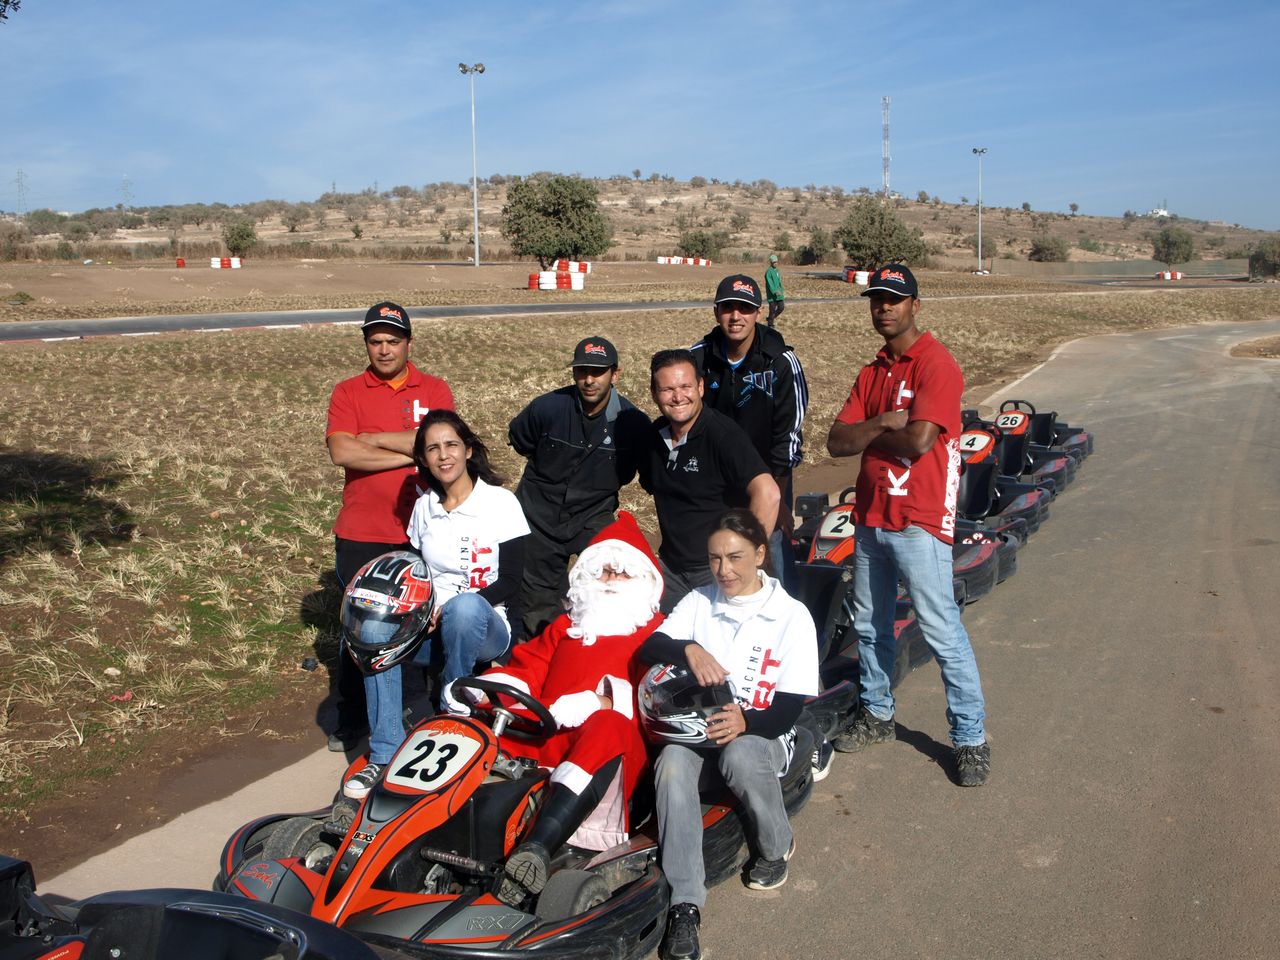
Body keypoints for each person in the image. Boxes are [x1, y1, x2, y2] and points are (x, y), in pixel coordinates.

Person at [825, 264, 991, 787]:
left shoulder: (937, 364)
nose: (884, 307)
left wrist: (868, 435)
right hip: (872, 516)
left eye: (895, 299)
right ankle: (877, 713)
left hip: (919, 521)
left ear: (915, 305)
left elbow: (920, 443)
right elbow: (835, 441)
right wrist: (881, 425)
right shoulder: (872, 372)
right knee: (871, 625)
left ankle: (970, 737)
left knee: (941, 628)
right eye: (877, 299)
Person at [638, 509, 819, 960]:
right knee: (671, 763)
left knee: (740, 754)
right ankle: (685, 904)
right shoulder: (700, 601)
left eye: (735, 557)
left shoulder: (791, 616)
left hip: (764, 733)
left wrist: (746, 722)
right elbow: (651, 646)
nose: (725, 570)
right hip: (703, 735)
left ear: (760, 554)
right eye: (715, 559)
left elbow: (789, 707)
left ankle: (776, 846)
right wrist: (689, 647)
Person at [465, 511, 665, 906]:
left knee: (607, 725)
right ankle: (405, 814)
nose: (610, 581)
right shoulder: (565, 626)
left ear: (643, 582)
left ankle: (536, 850)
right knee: (468, 726)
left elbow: (654, 694)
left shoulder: (654, 632)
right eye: (603, 572)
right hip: (544, 734)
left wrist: (601, 701)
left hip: (608, 746)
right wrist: (493, 690)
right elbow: (527, 670)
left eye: (621, 574)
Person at [344, 410, 530, 799]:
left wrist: (449, 609)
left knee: (464, 607)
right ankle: (384, 752)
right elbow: (415, 573)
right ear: (423, 459)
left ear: (467, 450)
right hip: (429, 626)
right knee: (377, 629)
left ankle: (452, 703)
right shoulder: (424, 506)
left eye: (451, 445)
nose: (443, 455)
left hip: (483, 624)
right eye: (432, 448)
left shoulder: (500, 503)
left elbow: (512, 581)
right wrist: (417, 612)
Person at [325, 301, 454, 752]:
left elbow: (443, 443)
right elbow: (342, 452)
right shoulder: (347, 392)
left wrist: (375, 438)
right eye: (375, 341)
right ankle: (352, 715)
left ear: (408, 343)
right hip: (363, 530)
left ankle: (413, 708)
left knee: (417, 625)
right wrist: (415, 449)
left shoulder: (434, 389)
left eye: (392, 341)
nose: (383, 350)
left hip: (423, 529)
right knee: (362, 628)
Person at [507, 337, 651, 637]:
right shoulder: (547, 408)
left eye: (597, 372)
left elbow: (634, 472)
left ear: (615, 374)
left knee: (604, 587)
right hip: (539, 514)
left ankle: (590, 652)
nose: (588, 380)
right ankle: (541, 656)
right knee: (538, 602)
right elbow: (521, 439)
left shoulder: (633, 423)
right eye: (582, 371)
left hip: (593, 515)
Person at [638, 349, 780, 613]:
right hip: (672, 569)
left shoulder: (722, 436)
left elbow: (768, 493)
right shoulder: (653, 438)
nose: (678, 397)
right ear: (654, 393)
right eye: (668, 389)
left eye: (685, 386)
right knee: (669, 645)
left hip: (714, 571)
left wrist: (742, 559)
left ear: (701, 387)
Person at [690, 274, 808, 583]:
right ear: (717, 312)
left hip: (768, 481)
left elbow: (789, 439)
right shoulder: (699, 357)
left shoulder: (781, 362)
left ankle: (786, 621)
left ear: (758, 312)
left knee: (771, 561)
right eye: (728, 308)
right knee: (718, 562)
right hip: (714, 485)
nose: (736, 316)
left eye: (744, 308)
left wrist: (779, 500)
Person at [763, 254, 785, 328]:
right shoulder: (768, 272)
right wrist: (775, 291)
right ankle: (770, 324)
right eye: (774, 262)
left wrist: (781, 290)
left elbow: (779, 282)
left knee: (781, 307)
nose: (776, 263)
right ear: (771, 262)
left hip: (779, 294)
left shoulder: (777, 271)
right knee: (772, 310)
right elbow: (770, 284)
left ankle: (770, 318)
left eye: (776, 262)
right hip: (772, 295)